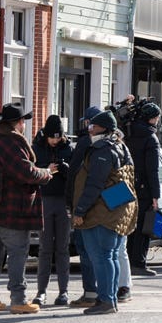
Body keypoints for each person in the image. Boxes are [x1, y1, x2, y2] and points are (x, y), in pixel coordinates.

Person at [0, 103, 55, 314]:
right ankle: (18, 299)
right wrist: (45, 173)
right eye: (23, 121)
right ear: (18, 123)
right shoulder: (11, 143)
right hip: (10, 210)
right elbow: (25, 172)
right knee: (18, 254)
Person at [72, 110, 138, 315]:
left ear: (103, 128)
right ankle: (111, 299)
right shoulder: (121, 147)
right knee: (110, 256)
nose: (90, 129)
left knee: (101, 257)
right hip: (117, 209)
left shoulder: (101, 150)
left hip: (101, 212)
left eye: (93, 126)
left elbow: (94, 184)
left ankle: (106, 300)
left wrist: (80, 210)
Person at [31, 115, 73, 307]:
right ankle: (41, 291)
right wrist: (45, 169)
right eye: (52, 137)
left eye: (58, 137)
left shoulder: (68, 148)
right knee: (45, 248)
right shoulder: (37, 147)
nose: (56, 140)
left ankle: (64, 291)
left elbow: (76, 174)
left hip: (63, 201)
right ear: (46, 135)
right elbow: (30, 170)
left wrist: (65, 169)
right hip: (44, 200)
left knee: (63, 249)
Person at [66, 105, 101, 308]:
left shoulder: (85, 144)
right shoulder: (117, 144)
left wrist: (73, 206)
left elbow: (75, 176)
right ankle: (109, 292)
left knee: (87, 251)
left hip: (85, 205)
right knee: (108, 253)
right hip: (107, 208)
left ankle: (91, 293)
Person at [126, 101, 162, 276]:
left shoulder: (128, 132)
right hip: (144, 189)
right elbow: (152, 170)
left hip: (126, 185)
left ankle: (126, 261)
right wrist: (155, 195)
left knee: (128, 224)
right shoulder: (150, 138)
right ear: (152, 119)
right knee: (144, 226)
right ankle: (139, 262)